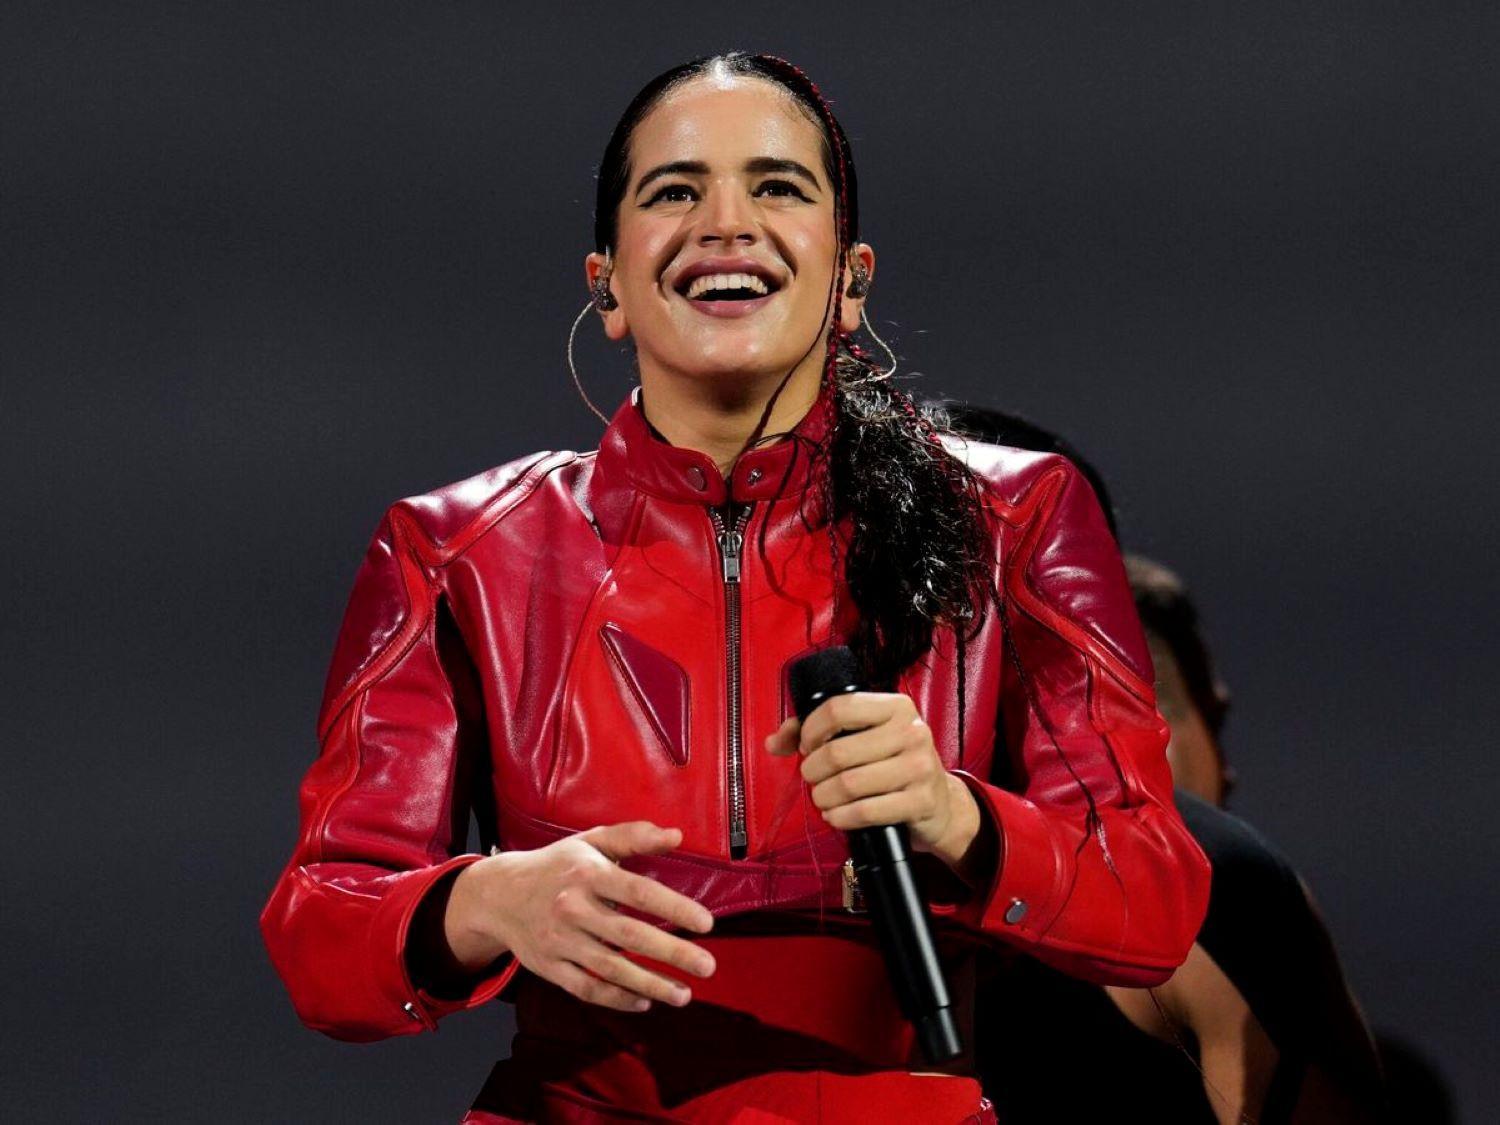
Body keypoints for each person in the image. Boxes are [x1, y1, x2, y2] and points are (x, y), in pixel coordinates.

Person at [260, 53, 1210, 1122]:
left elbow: (1152, 902)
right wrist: (486, 900)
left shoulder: (1020, 514)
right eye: (674, 192)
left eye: (776, 187)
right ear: (607, 285)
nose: (725, 223)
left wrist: (954, 814)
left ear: (850, 280)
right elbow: (320, 936)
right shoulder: (453, 550)